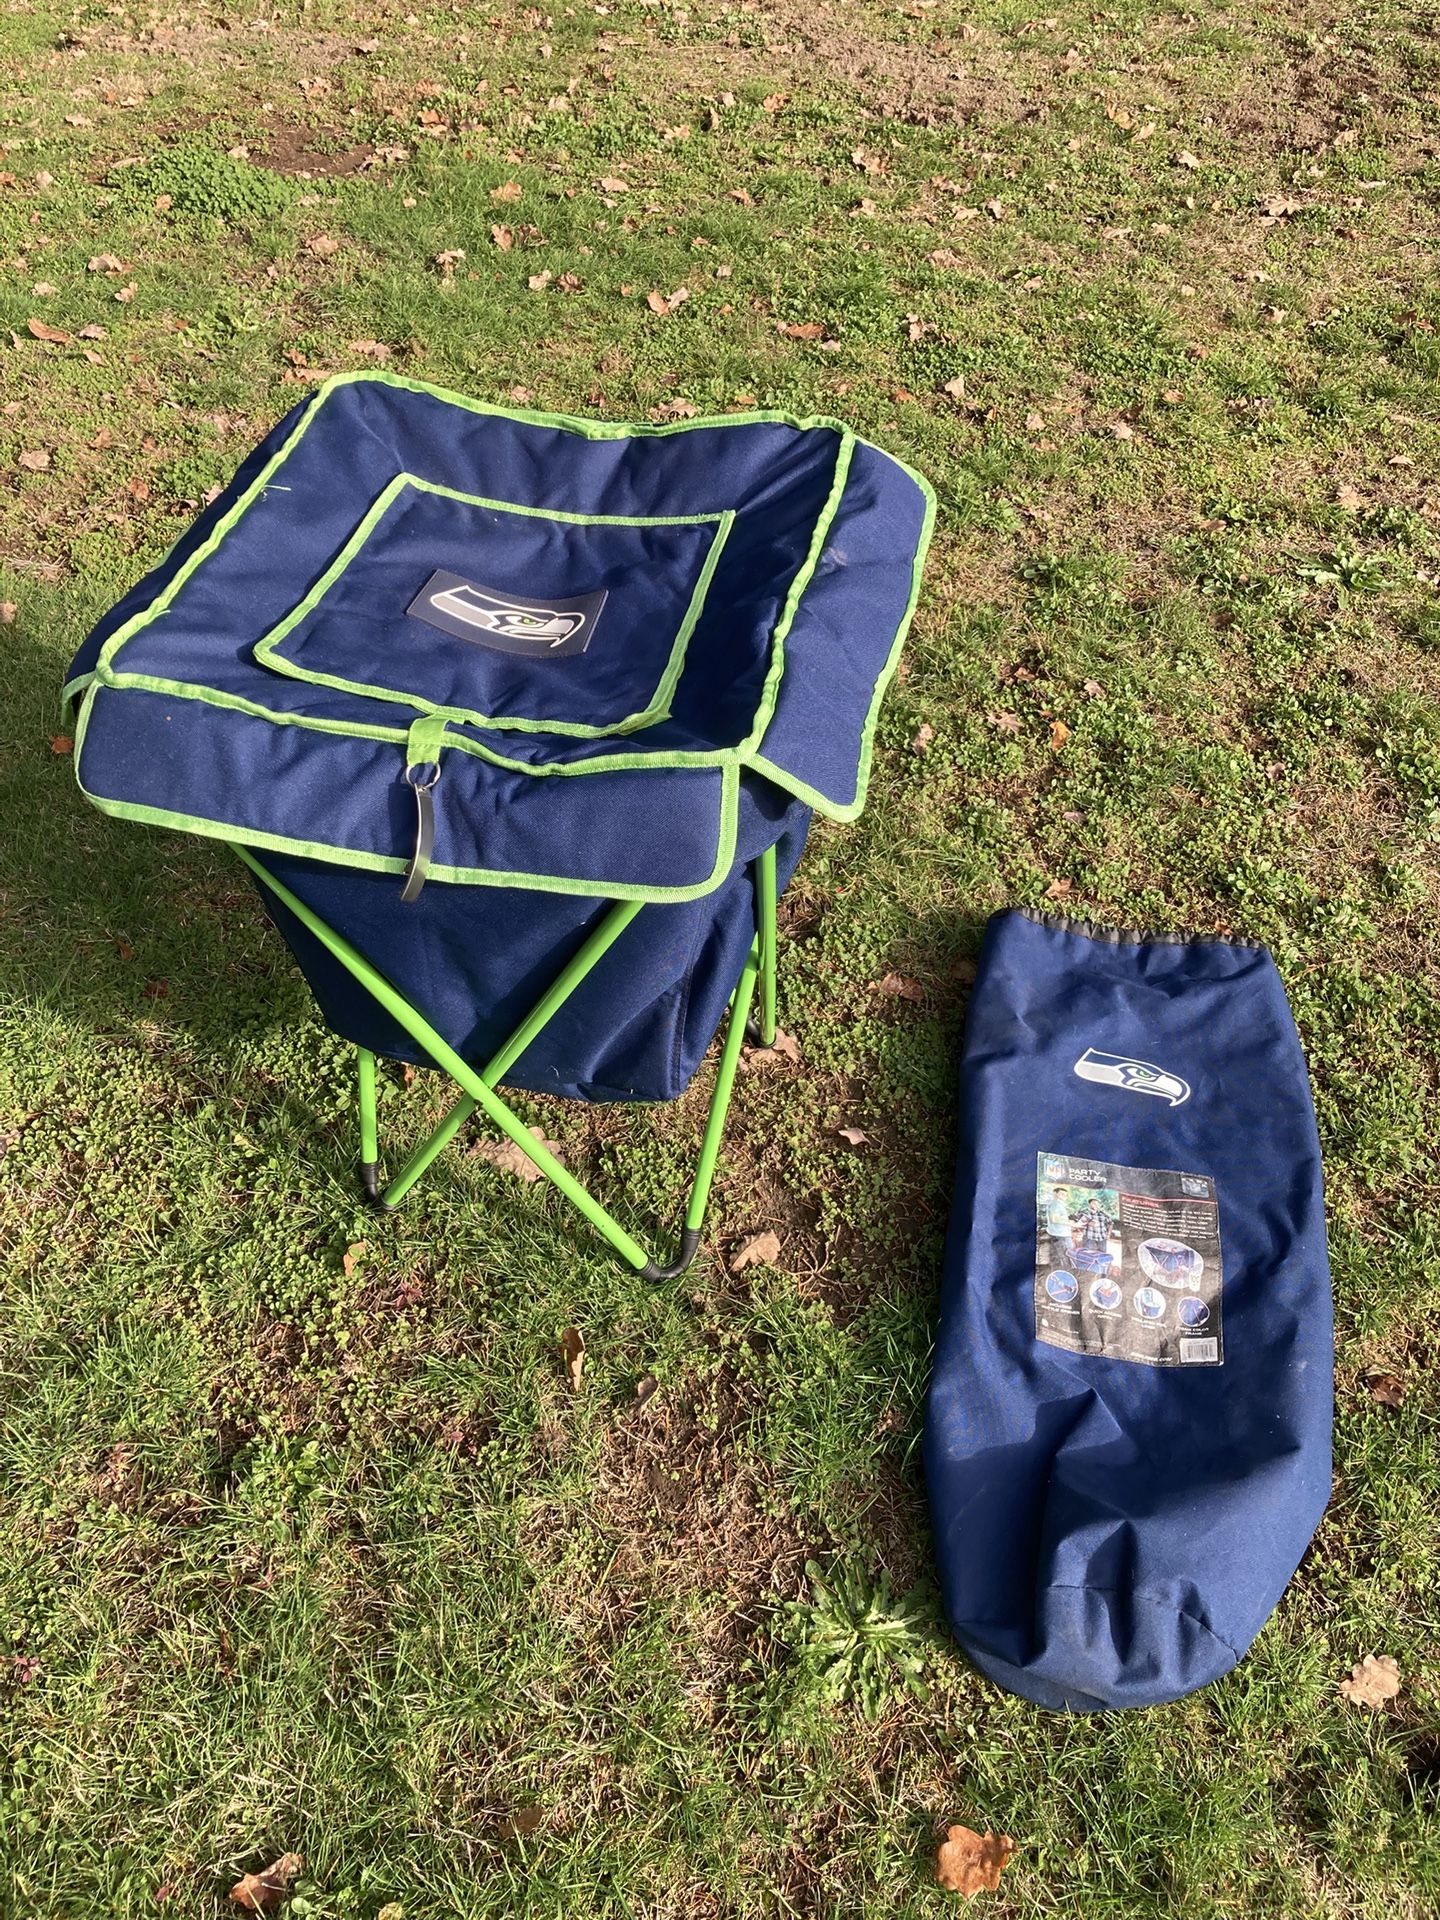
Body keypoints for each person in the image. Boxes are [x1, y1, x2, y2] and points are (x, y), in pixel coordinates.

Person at [1044, 1184, 1074, 1270]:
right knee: (1067, 1256)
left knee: (1056, 1257)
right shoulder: (1056, 1204)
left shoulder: (1057, 1204)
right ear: (1055, 1194)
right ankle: (1067, 1275)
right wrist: (1071, 1223)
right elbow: (1054, 1219)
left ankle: (1055, 1274)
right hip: (1061, 1235)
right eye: (1062, 1194)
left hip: (1056, 1234)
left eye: (1066, 1194)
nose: (1065, 1196)